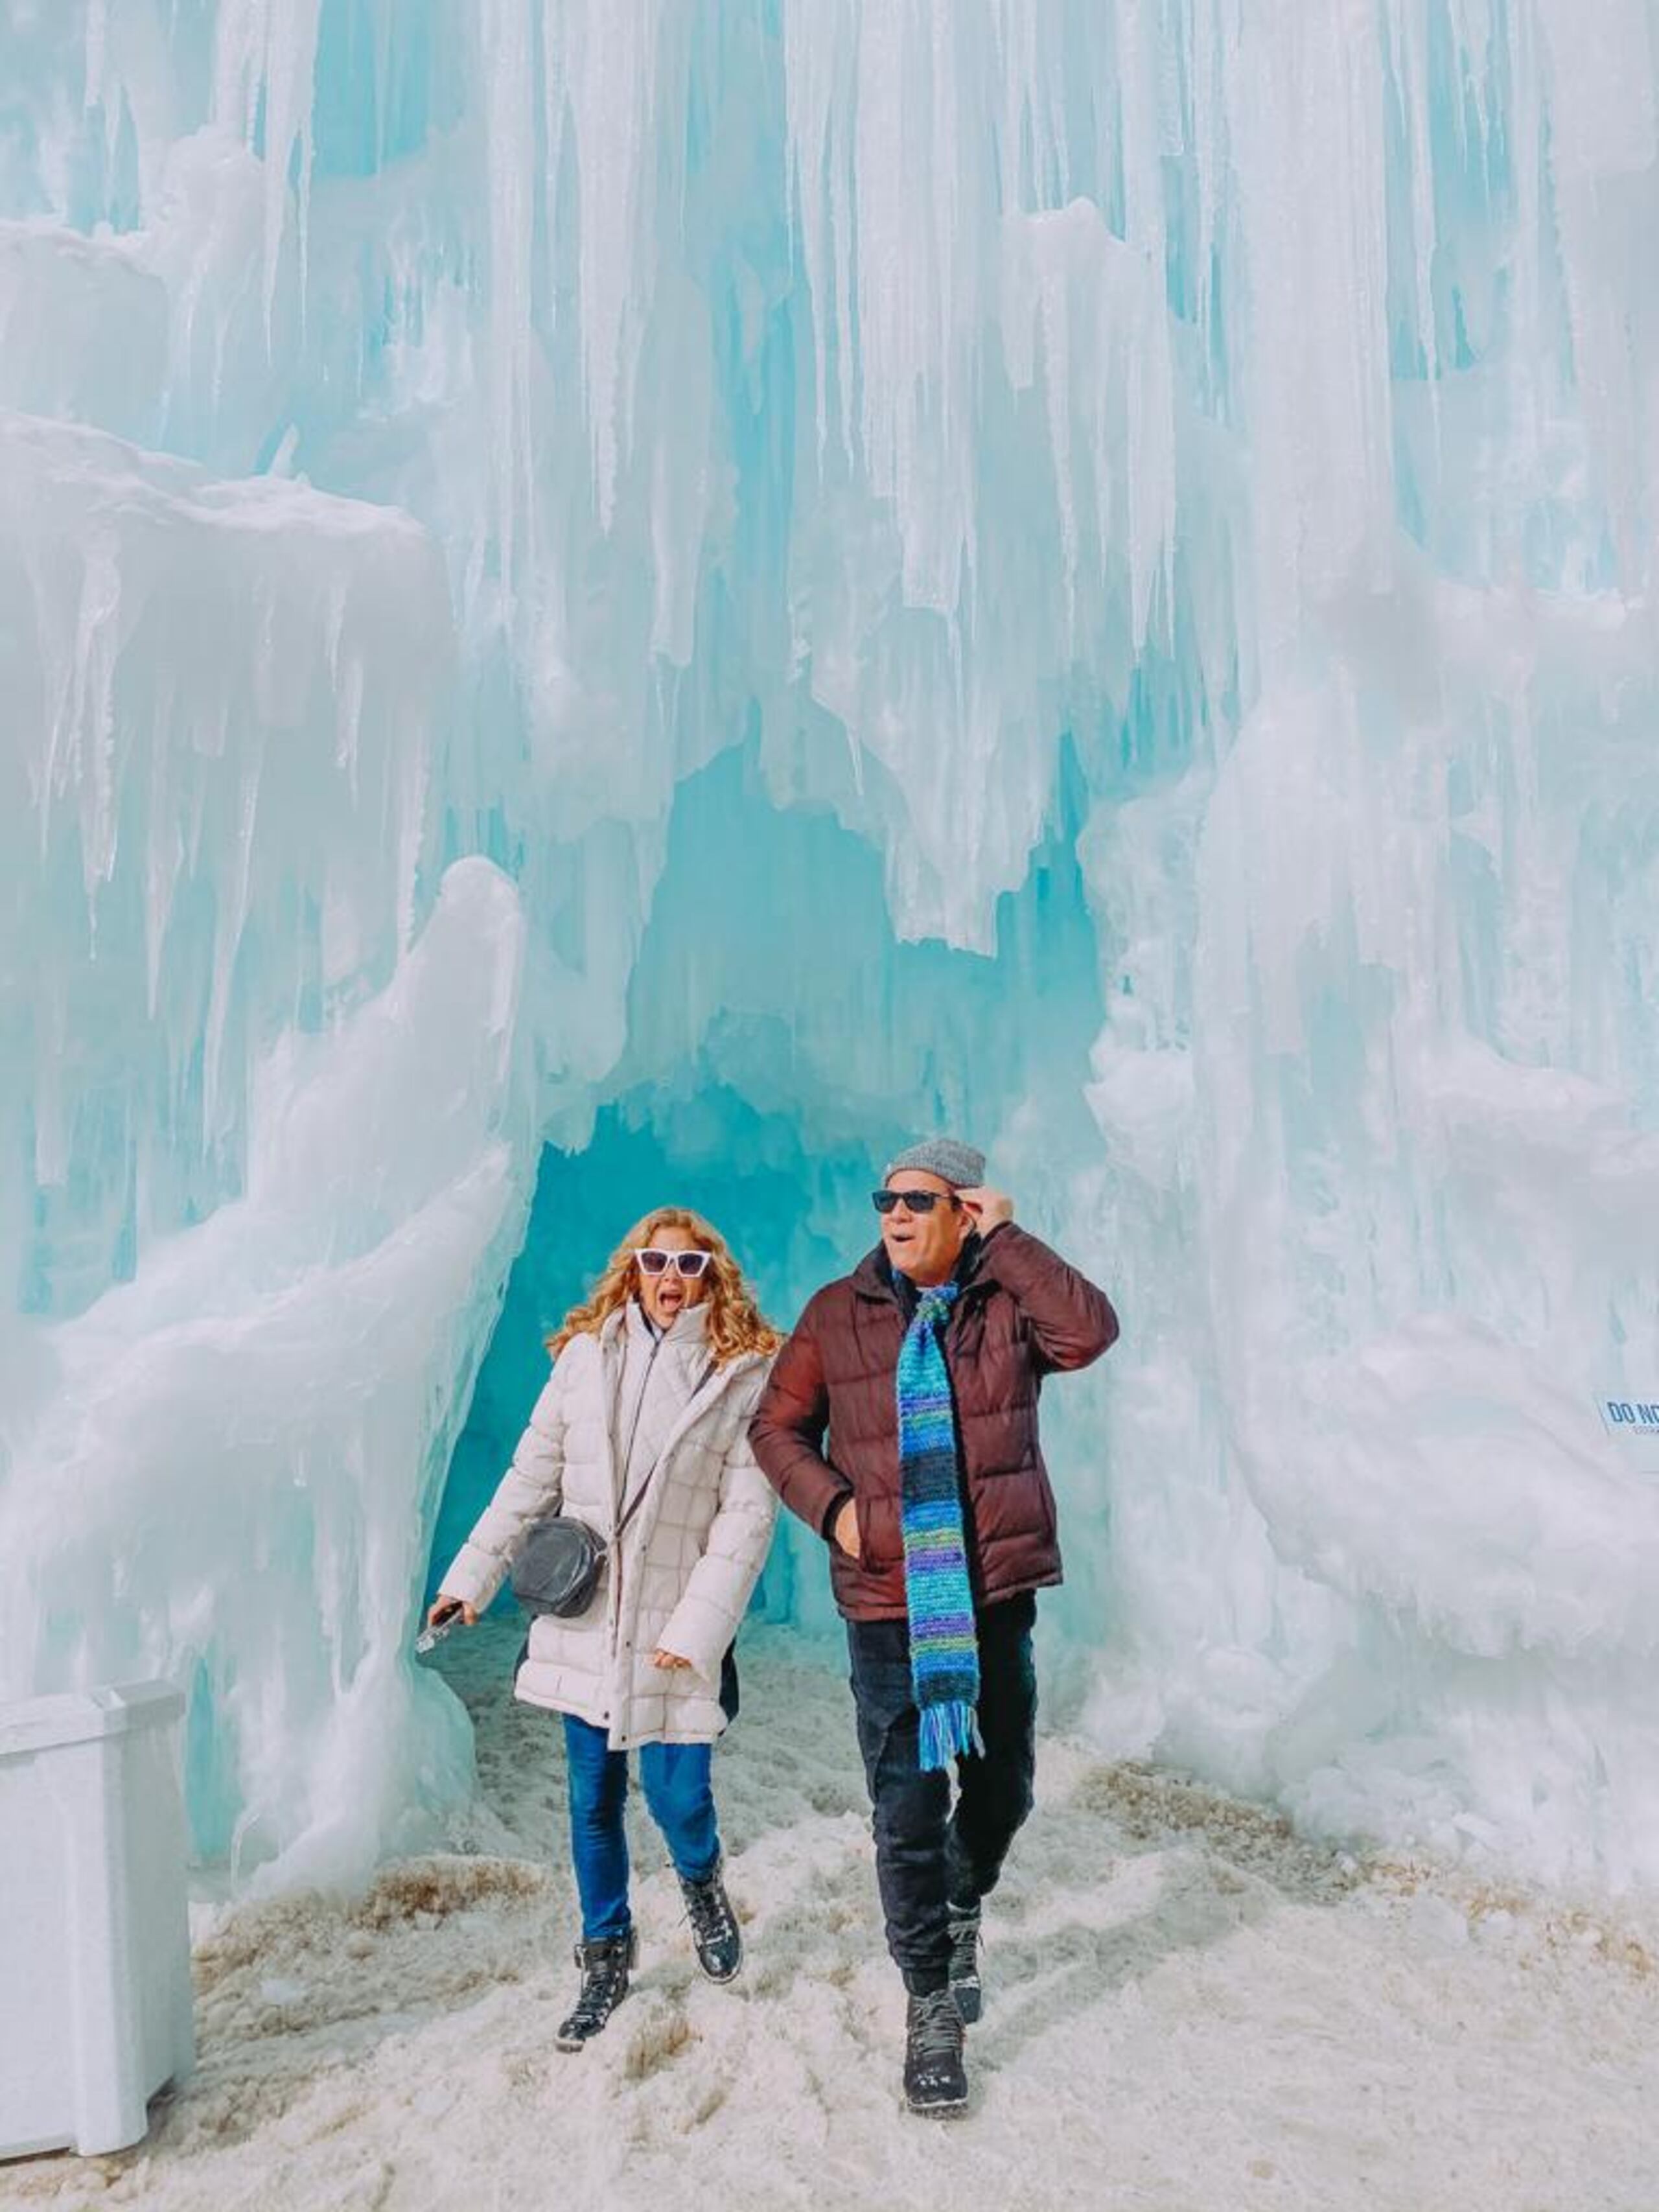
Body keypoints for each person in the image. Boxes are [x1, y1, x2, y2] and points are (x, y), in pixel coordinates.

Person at [750, 1139, 1118, 2115]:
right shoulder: (839, 1312)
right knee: (904, 1811)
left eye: (920, 1201)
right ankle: (928, 2001)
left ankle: (964, 1899)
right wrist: (837, 1510)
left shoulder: (1005, 1303)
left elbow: (1090, 1334)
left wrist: (1012, 1239)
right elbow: (774, 1429)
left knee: (1004, 1788)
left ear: (965, 1210)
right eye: (887, 1200)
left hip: (991, 1596)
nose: (897, 1216)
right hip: (886, 1606)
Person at [428, 1207, 780, 2051]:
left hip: (670, 1626)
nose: (670, 1276)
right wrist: (469, 1579)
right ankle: (605, 1954)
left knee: (676, 1795)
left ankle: (701, 1881)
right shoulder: (584, 1360)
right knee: (593, 1801)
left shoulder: (741, 1373)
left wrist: (696, 1629)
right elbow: (531, 1478)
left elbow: (746, 1516)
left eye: (688, 1264)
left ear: (710, 1277)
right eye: (655, 1260)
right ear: (633, 1268)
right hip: (586, 1622)